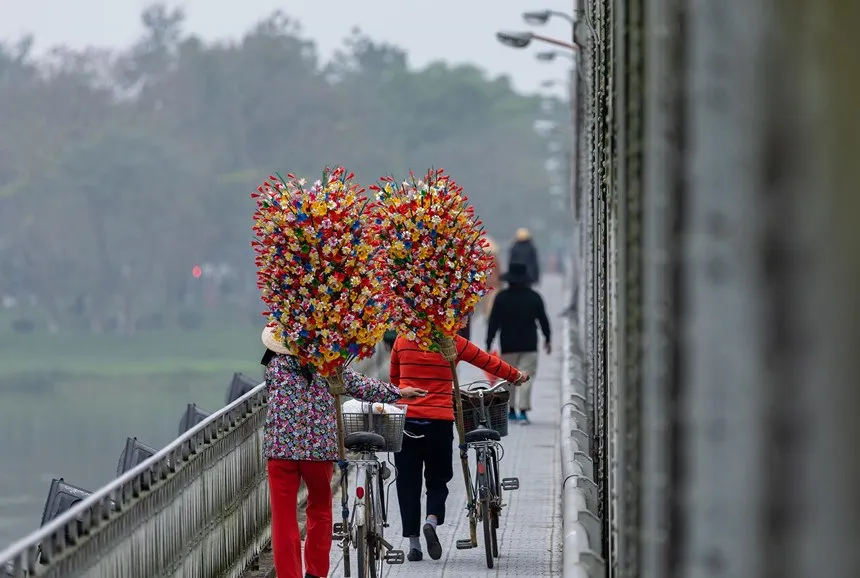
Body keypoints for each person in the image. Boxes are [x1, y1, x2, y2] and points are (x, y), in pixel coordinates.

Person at [261, 326, 427, 578]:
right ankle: (316, 573)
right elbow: (358, 385)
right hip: (319, 450)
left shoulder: (274, 367)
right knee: (319, 508)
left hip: (280, 450)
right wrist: (397, 392)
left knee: (283, 518)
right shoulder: (328, 365)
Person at [389, 334, 529, 562]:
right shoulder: (451, 342)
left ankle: (414, 544)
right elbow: (487, 361)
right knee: (438, 479)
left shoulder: (402, 341)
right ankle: (431, 521)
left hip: (407, 420)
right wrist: (516, 376)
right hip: (439, 422)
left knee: (407, 481)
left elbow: (394, 381)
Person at [486, 262, 552, 425]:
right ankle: (523, 411)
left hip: (508, 345)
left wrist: (489, 342)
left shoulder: (501, 298)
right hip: (529, 344)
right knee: (526, 377)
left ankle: (511, 410)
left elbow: (493, 322)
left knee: (509, 378)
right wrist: (547, 338)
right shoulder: (534, 297)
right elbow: (543, 320)